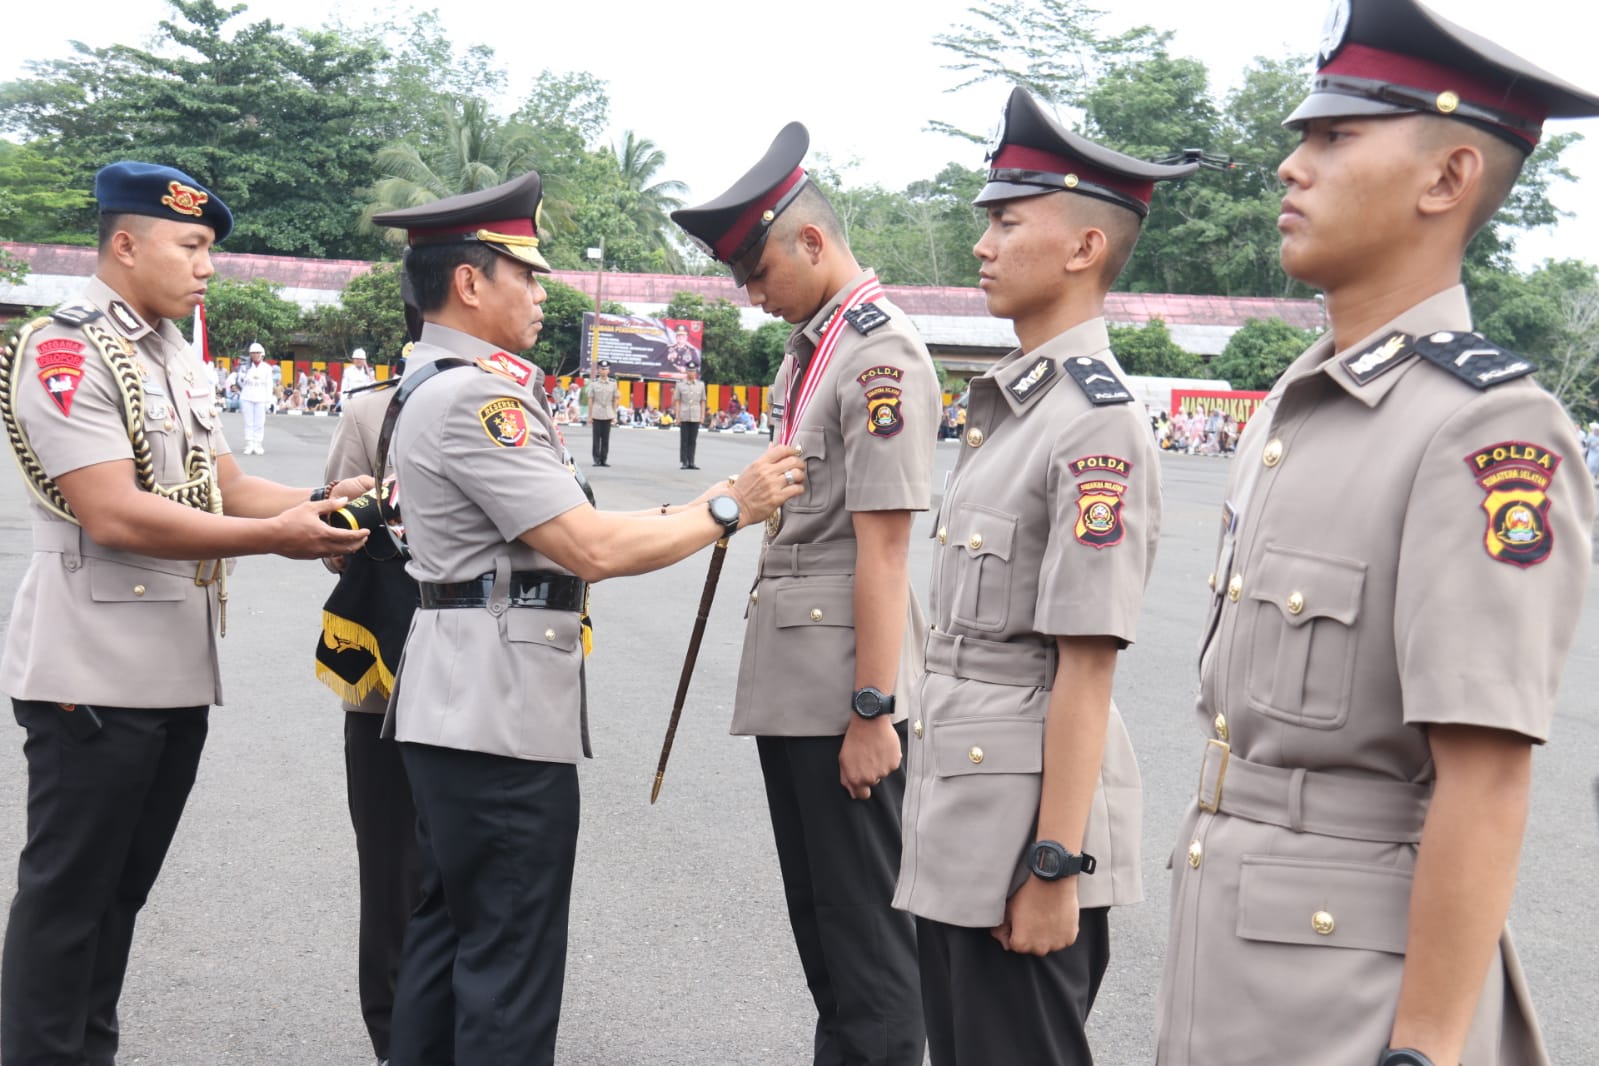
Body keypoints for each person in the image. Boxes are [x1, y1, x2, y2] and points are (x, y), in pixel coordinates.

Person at [1154, 4, 1598, 1065]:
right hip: (1231, 936)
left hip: (1352, 994)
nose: (1288, 167)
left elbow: (1484, 777)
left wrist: (1428, 1048)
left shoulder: (1486, 427)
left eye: (1333, 138)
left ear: (1446, 179)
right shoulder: (1294, 407)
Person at [370, 169, 804, 1066]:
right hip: (495, 715)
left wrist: (705, 499)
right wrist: (729, 512)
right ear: (469, 282)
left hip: (462, 699)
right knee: (510, 959)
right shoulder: (475, 399)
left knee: (453, 934)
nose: (539, 291)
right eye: (524, 274)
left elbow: (567, 532)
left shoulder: (437, 384)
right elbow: (588, 549)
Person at [0, 160, 372, 1066]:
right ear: (125, 244)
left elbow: (225, 482)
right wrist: (278, 539)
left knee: (118, 892)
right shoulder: (68, 347)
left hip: (167, 662)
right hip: (91, 663)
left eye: (211, 249)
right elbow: (112, 509)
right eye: (192, 246)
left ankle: (87, 1051)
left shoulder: (168, 348)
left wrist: (319, 502)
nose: (209, 266)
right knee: (68, 899)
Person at [895, 87, 1190, 1066]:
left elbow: (1085, 667)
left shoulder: (1093, 423)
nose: (983, 244)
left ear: (1083, 249)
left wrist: (1056, 860)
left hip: (1026, 837)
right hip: (966, 824)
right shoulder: (1016, 410)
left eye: (1008, 221)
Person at [672, 122, 939, 1066]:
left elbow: (886, 545)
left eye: (756, 271)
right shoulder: (812, 346)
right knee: (825, 931)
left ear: (812, 242)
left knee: (867, 941)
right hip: (801, 675)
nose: (750, 295)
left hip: (842, 689)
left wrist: (875, 708)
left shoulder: (878, 357)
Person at [318, 361, 419, 1066]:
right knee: (390, 865)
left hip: (486, 675)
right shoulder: (372, 413)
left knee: (477, 863)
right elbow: (332, 542)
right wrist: (370, 513)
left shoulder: (518, 399)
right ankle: (395, 1038)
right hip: (385, 668)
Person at [238, 340, 276, 453]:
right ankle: (249, 443)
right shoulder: (245, 367)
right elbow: (240, 384)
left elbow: (269, 385)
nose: (255, 355)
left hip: (261, 397)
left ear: (262, 354)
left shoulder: (267, 368)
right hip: (247, 396)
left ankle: (258, 443)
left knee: (259, 422)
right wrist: (242, 376)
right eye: (253, 353)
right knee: (248, 422)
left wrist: (268, 401)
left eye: (257, 353)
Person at [675, 364, 707, 468]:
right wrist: (677, 416)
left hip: (696, 415)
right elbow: (677, 402)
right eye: (689, 371)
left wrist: (702, 416)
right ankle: (684, 462)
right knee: (684, 439)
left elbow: (702, 401)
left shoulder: (700, 385)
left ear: (695, 372)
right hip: (684, 414)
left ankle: (691, 462)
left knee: (693, 440)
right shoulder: (680, 385)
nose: (691, 373)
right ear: (686, 372)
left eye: (693, 371)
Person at [588, 360, 618, 466]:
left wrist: (614, 415)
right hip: (596, 412)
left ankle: (603, 459)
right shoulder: (594, 383)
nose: (603, 371)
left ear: (609, 370)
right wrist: (590, 416)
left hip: (608, 413)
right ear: (598, 370)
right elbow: (591, 399)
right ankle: (596, 459)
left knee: (606, 438)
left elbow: (615, 400)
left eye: (605, 369)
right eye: (601, 369)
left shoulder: (613, 383)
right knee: (596, 438)